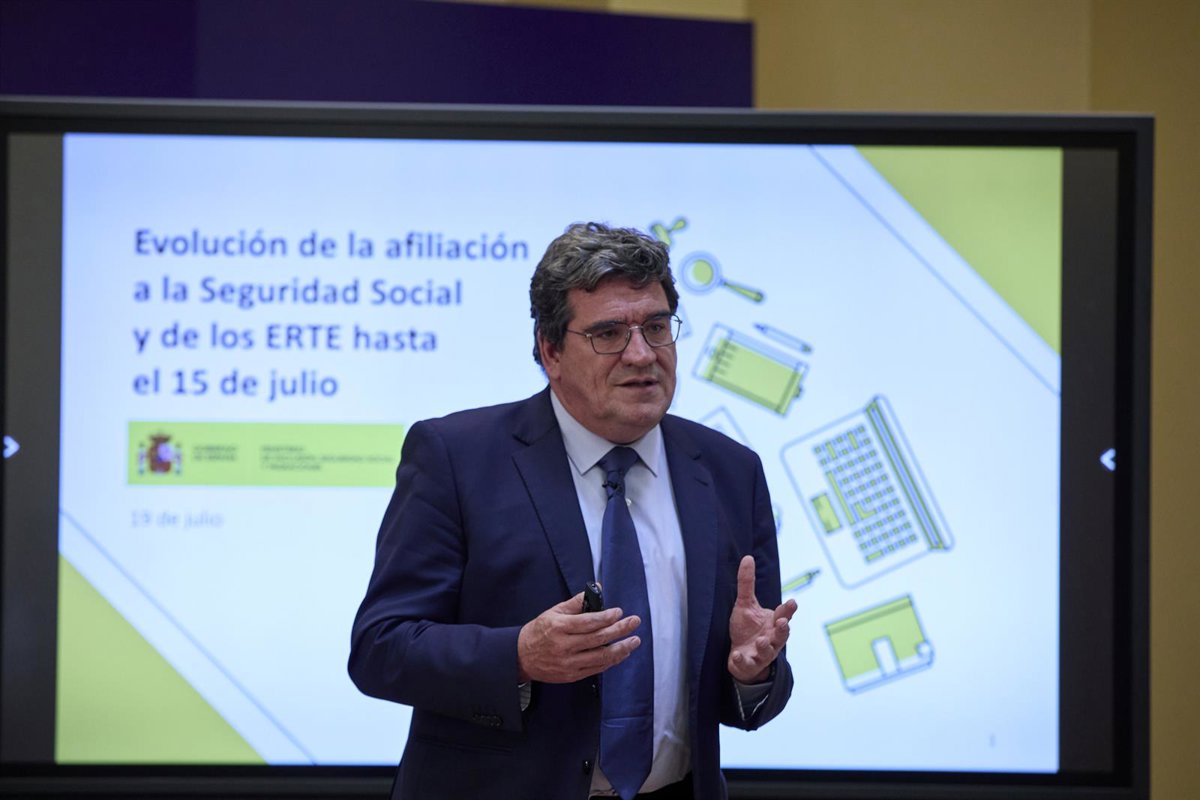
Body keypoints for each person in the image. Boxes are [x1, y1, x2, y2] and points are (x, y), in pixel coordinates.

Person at [349, 222, 796, 800]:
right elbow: (381, 648)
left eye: (657, 327)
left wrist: (753, 673)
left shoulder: (730, 471)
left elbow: (754, 690)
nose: (642, 354)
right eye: (609, 333)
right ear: (550, 350)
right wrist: (517, 656)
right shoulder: (457, 458)